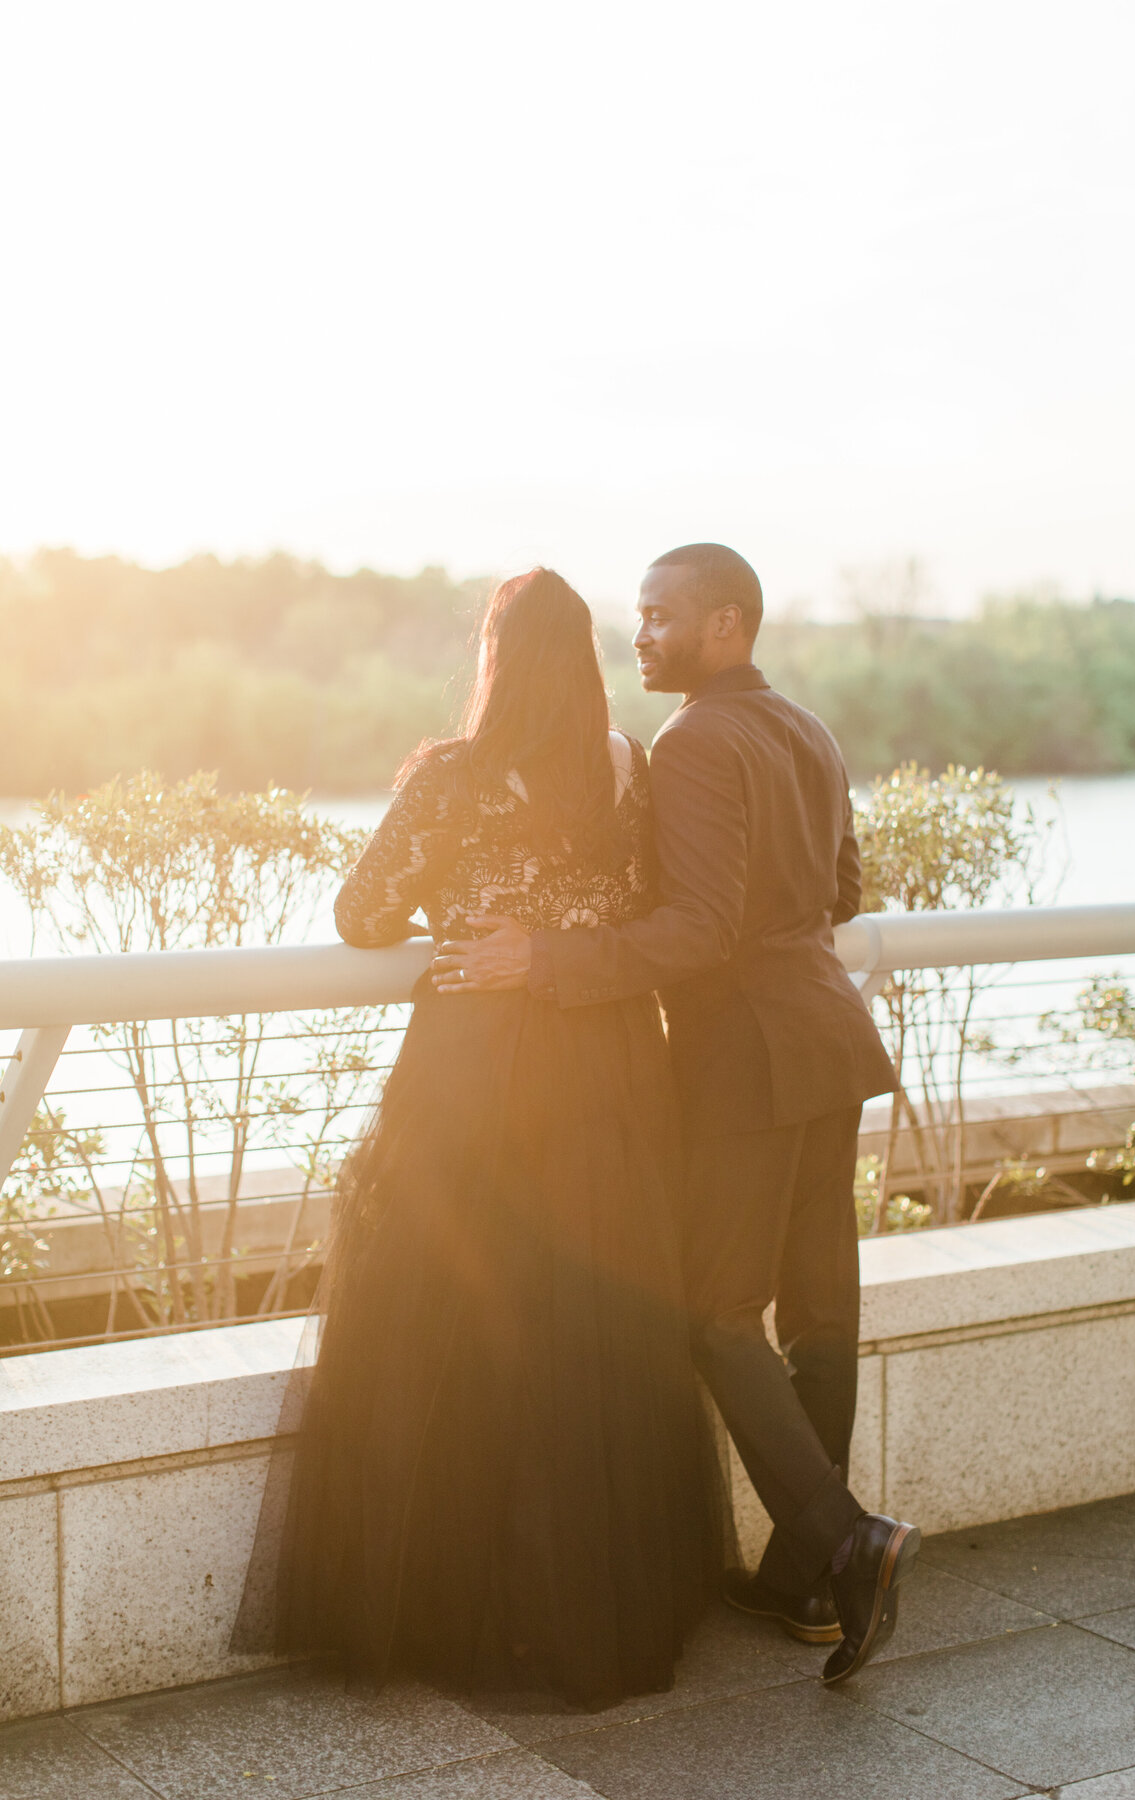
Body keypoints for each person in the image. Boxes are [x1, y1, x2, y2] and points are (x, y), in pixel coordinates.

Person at [433, 543, 920, 1685]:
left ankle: (849, 1543)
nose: (640, 637)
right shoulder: (808, 729)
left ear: (727, 625)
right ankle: (807, 1582)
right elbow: (839, 894)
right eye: (638, 618)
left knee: (711, 1314)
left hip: (748, 1056)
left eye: (661, 619)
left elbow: (699, 931)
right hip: (829, 1037)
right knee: (817, 1315)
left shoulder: (695, 740)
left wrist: (543, 954)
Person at [256, 568, 725, 1710]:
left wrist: (458, 912)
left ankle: (451, 1609)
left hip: (477, 1066)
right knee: (594, 1332)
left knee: (454, 1321)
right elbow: (648, 898)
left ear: (496, 658)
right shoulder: (623, 764)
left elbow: (362, 914)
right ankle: (587, 1614)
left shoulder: (451, 777)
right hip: (611, 1060)